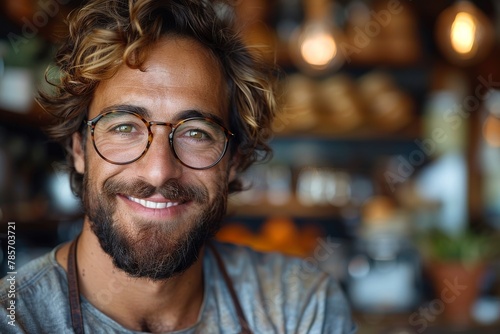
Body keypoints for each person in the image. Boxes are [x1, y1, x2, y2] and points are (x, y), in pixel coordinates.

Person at [0, 0, 356, 332]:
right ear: (79, 149)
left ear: (234, 161)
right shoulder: (15, 317)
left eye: (197, 133)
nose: (158, 171)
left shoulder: (300, 306)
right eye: (124, 127)